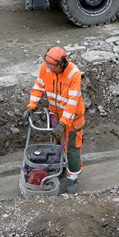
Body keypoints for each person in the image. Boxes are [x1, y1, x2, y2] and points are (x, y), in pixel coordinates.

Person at [22, 46, 84, 193]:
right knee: (55, 145)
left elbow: (72, 101)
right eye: (47, 64)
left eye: (52, 66)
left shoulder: (73, 73)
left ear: (62, 64)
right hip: (55, 116)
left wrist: (64, 123)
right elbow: (39, 86)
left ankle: (72, 179)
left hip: (72, 119)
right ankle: (59, 168)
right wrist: (31, 106)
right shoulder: (46, 68)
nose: (49, 68)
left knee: (72, 150)